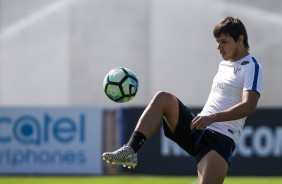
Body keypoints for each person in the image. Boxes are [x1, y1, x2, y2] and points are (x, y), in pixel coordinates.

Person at [102, 16, 263, 184]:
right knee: (162, 98)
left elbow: (249, 106)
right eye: (217, 42)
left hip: (220, 139)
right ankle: (131, 150)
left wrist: (212, 118)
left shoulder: (252, 67)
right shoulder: (224, 64)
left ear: (240, 39)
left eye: (223, 42)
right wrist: (207, 118)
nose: (218, 47)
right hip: (198, 126)